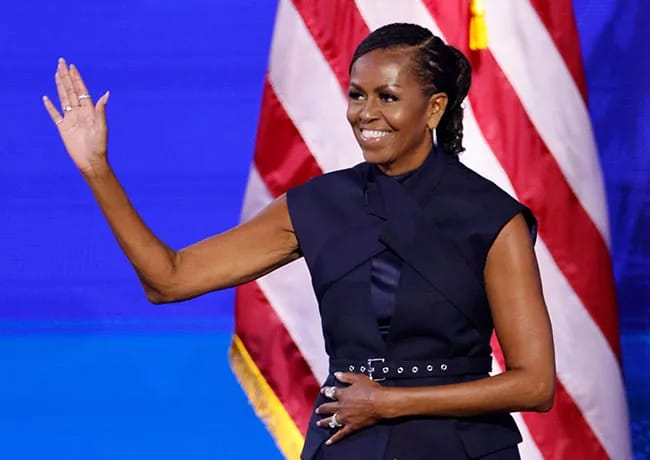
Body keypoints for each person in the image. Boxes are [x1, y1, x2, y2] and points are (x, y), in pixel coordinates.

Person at [43, 23, 555, 460]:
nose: (366, 113)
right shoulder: (318, 204)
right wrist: (97, 169)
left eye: (388, 97)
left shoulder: (491, 218)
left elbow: (534, 384)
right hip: (349, 444)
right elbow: (169, 279)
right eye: (357, 95)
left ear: (435, 107)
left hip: (459, 447)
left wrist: (390, 402)